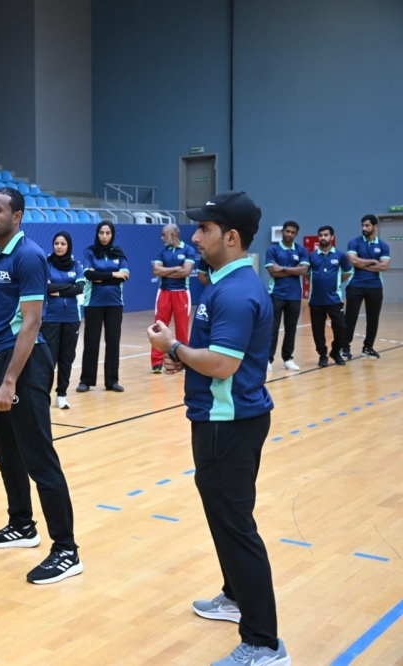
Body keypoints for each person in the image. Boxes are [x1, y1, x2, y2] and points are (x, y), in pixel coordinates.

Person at [148, 190, 290, 666]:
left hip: (227, 425)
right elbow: (214, 356)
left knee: (235, 526)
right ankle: (234, 596)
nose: (195, 235)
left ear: (231, 237)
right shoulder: (226, 282)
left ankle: (264, 643)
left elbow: (224, 364)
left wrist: (174, 349)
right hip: (226, 419)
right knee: (227, 520)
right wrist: (184, 358)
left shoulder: (234, 290)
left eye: (205, 229)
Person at [0, 187, 82, 585]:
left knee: (38, 457)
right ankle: (22, 524)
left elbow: (31, 323)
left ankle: (66, 549)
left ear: (17, 217)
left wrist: (10, 379)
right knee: (7, 454)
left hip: (26, 366)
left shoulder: (28, 255)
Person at [77, 221, 129, 393]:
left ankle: (112, 381)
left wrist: (101, 277)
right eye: (101, 233)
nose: (104, 236)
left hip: (115, 303)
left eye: (108, 233)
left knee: (113, 342)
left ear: (112, 234)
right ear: (97, 234)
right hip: (93, 303)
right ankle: (86, 380)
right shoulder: (89, 252)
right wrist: (114, 274)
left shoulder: (119, 253)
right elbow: (89, 275)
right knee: (91, 341)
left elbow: (125, 276)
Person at [42, 231, 84, 409]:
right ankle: (44, 395)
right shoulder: (46, 264)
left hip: (72, 318)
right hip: (51, 318)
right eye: (56, 243)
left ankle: (62, 394)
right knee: (49, 359)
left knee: (66, 358)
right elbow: (46, 287)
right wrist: (69, 286)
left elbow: (80, 288)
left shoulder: (76, 265)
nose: (59, 247)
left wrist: (58, 291)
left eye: (63, 244)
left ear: (69, 246)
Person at [343, 214, 392, 359]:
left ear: (375, 226)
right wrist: (372, 262)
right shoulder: (354, 243)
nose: (364, 228)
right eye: (362, 225)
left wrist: (363, 264)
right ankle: (345, 348)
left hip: (375, 286)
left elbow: (384, 266)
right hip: (355, 285)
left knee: (373, 318)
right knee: (350, 318)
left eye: (367, 225)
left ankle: (368, 347)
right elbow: (353, 261)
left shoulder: (383, 246)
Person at [150, 224, 195, 374]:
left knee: (182, 328)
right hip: (164, 292)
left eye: (164, 234)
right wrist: (176, 268)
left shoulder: (188, 250)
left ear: (173, 235)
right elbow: (156, 270)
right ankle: (157, 363)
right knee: (159, 327)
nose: (161, 237)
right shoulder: (161, 251)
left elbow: (186, 272)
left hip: (182, 293)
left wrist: (166, 271)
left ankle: (183, 361)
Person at [265, 220, 309, 372]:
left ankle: (287, 359)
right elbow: (272, 272)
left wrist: (282, 268)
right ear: (282, 231)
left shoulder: (301, 250)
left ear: (296, 234)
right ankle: (267, 360)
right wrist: (293, 270)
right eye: (287, 231)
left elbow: (304, 270)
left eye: (292, 232)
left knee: (291, 329)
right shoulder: (273, 250)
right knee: (273, 328)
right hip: (276, 294)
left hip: (295, 296)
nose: (289, 234)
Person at [307, 225, 352, 367]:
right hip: (316, 300)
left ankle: (336, 351)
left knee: (341, 327)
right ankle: (322, 355)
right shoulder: (312, 256)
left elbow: (348, 272)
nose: (323, 238)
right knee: (317, 330)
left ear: (332, 237)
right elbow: (307, 274)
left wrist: (337, 283)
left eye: (326, 235)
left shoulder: (340, 255)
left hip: (334, 300)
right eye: (320, 235)